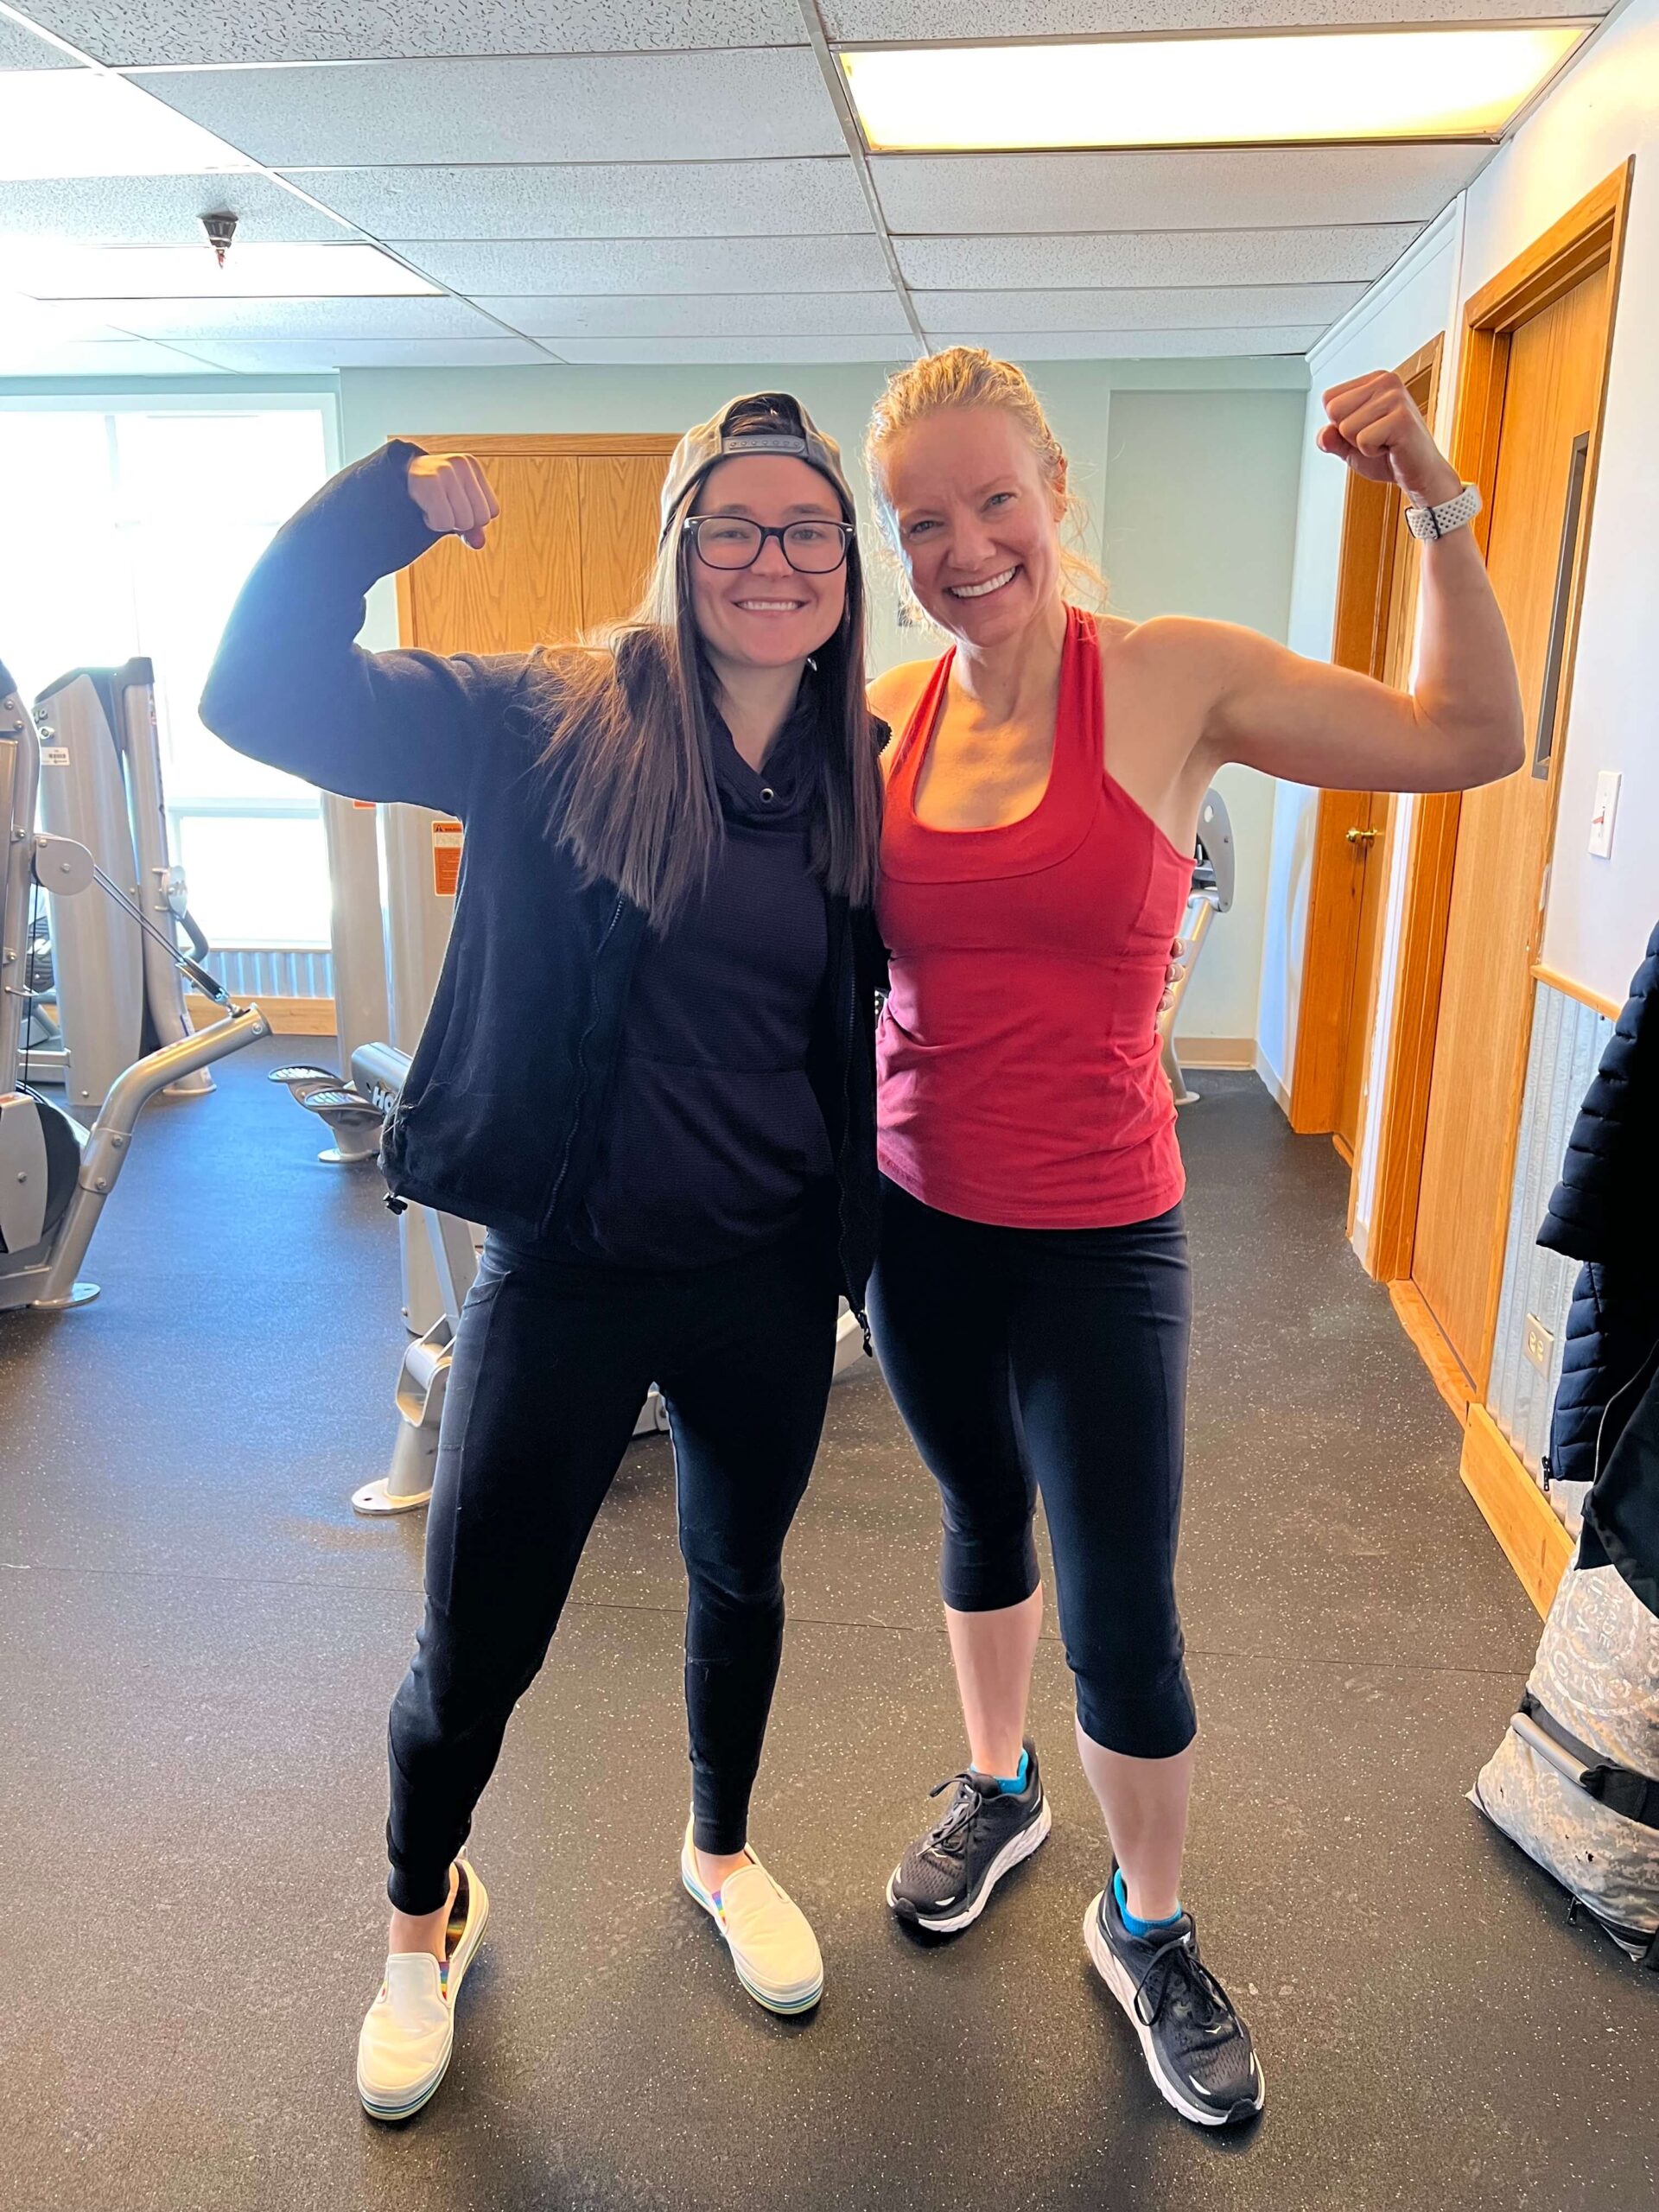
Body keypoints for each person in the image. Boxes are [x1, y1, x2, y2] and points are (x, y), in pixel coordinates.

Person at [200, 392, 886, 2120]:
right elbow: (257, 691)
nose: (770, 557)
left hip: (764, 1269)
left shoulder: (854, 759)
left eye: (808, 527)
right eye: (731, 523)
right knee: (477, 1643)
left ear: (845, 564)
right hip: (568, 1272)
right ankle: (423, 1914)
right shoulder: (545, 717)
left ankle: (720, 1849)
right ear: (682, 546)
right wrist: (383, 511)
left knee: (741, 1579)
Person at [861, 347, 1523, 2127]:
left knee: (1126, 1607)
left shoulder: (1164, 678)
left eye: (994, 497)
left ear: (1056, 496)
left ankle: (1146, 1917)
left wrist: (1441, 506)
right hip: (912, 1220)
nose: (963, 543)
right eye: (922, 519)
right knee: (974, 1512)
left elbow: (1475, 737)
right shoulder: (886, 720)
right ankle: (997, 1787)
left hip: (1100, 1233)